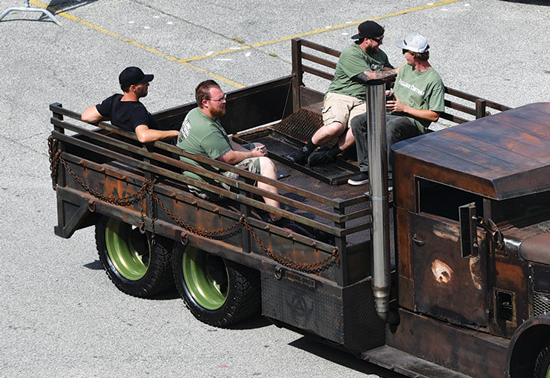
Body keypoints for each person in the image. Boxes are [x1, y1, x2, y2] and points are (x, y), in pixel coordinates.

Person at [177, 80, 298, 230]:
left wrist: (252, 152)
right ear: (205, 102)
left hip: (210, 168)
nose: (224, 101)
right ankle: (277, 218)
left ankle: (257, 198)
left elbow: (225, 142)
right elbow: (228, 158)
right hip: (208, 184)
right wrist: (253, 155)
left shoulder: (197, 113)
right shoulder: (206, 129)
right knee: (265, 164)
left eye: (224, 96)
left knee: (257, 147)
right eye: (219, 99)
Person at [289, 21, 393, 167]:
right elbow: (370, 76)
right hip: (341, 95)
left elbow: (389, 72)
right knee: (336, 128)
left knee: (359, 126)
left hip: (364, 100)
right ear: (366, 40)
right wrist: (396, 71)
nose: (381, 43)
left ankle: (330, 154)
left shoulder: (380, 55)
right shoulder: (351, 53)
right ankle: (305, 150)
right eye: (379, 39)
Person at [348, 34, 445, 186]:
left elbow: (434, 115)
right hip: (393, 113)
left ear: (414, 55)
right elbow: (396, 90)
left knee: (390, 128)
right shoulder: (406, 68)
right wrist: (389, 96)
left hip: (413, 122)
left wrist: (405, 108)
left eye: (404, 51)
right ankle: (366, 170)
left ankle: (391, 177)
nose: (403, 55)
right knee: (358, 121)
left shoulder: (433, 80)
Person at [81, 66, 179, 143]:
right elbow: (143, 136)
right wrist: (176, 133)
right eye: (143, 82)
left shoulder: (113, 101)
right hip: (158, 154)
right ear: (133, 88)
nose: (147, 84)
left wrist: (116, 117)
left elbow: (86, 116)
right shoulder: (137, 110)